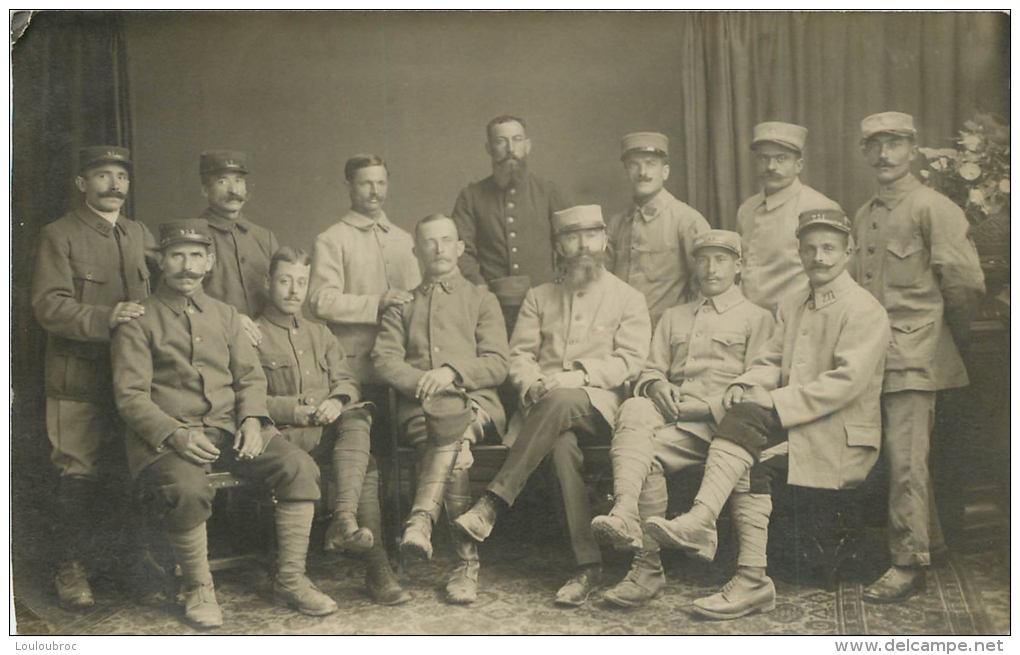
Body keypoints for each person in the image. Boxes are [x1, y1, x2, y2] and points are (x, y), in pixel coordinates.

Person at [644, 209, 891, 620]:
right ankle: (749, 578)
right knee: (742, 420)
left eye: (830, 248)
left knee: (746, 427)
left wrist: (772, 402)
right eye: (810, 248)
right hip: (795, 427)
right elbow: (770, 360)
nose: (820, 257)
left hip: (838, 435)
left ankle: (713, 534)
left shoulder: (864, 309)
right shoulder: (794, 304)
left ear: (849, 251)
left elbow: (845, 384)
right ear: (799, 252)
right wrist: (743, 385)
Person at [111, 219, 333, 628]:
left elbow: (250, 378)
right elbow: (130, 396)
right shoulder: (139, 320)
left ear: (210, 262)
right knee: (186, 486)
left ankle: (290, 579)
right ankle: (198, 587)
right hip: (168, 436)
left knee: (298, 466)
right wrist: (175, 433)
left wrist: (252, 418)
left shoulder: (226, 315)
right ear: (161, 260)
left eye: (196, 256)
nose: (187, 266)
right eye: (177, 255)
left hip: (230, 428)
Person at [454, 205, 651, 607]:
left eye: (591, 236)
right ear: (559, 246)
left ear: (604, 241)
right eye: (572, 238)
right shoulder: (539, 297)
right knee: (561, 448)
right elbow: (520, 355)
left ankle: (492, 502)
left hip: (596, 405)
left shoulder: (627, 297)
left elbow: (629, 361)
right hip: (544, 410)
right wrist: (531, 383)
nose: (582, 246)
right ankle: (587, 566)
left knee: (563, 399)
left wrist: (577, 376)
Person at [590, 230, 774, 608]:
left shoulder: (758, 318)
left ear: (738, 266)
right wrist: (656, 386)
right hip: (678, 427)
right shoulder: (674, 316)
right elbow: (649, 370)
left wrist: (707, 406)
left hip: (727, 428)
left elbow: (759, 380)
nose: (711, 268)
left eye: (721, 259)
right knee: (636, 415)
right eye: (703, 259)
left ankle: (654, 558)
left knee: (651, 446)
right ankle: (638, 546)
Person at [849, 112, 985, 604]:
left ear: (912, 149)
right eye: (875, 146)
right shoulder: (865, 215)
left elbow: (966, 284)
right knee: (901, 458)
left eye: (895, 145)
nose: (884, 155)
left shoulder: (934, 207)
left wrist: (948, 338)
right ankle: (931, 543)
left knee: (906, 462)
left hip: (919, 352)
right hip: (878, 356)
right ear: (865, 153)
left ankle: (907, 564)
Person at [31, 144, 158, 608]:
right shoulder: (58, 234)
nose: (114, 184)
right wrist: (107, 316)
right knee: (77, 472)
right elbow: (48, 306)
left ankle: (131, 562)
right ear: (82, 184)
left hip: (132, 379)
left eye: (120, 176)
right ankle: (70, 568)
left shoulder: (138, 233)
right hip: (78, 378)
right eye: (102, 176)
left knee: (131, 469)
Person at [255, 247, 409, 605]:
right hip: (285, 438)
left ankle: (348, 528)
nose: (294, 290)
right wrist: (301, 410)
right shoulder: (253, 334)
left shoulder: (320, 333)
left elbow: (346, 381)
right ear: (268, 283)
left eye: (302, 282)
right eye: (285, 281)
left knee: (358, 416)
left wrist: (337, 400)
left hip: (325, 434)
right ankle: (371, 561)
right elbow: (248, 398)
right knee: (364, 465)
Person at [372, 214, 509, 604]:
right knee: (457, 453)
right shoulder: (403, 303)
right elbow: (384, 358)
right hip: (419, 409)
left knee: (452, 428)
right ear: (416, 251)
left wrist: (452, 372)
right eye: (430, 242)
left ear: (460, 248)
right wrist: (423, 382)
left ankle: (421, 520)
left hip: (476, 405)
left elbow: (498, 361)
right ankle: (466, 566)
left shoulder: (482, 299)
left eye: (447, 240)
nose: (439, 249)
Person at [307, 154, 421, 569]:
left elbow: (417, 298)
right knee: (366, 458)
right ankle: (366, 546)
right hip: (356, 368)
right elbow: (320, 300)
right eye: (365, 184)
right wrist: (376, 302)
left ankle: (395, 538)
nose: (374, 192)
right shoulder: (332, 239)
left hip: (400, 366)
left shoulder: (404, 238)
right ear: (349, 188)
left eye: (380, 183)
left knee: (398, 456)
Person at [451, 115, 571, 331]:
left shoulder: (549, 191)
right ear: (489, 148)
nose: (510, 148)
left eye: (516, 140)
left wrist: (560, 283)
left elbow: (569, 244)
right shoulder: (471, 196)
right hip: (492, 308)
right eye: (501, 141)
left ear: (527, 145)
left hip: (546, 306)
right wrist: (479, 288)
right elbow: (460, 252)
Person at [736, 122, 842, 315]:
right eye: (763, 159)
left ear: (798, 165)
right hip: (747, 322)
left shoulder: (818, 206)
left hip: (795, 320)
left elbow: (835, 275)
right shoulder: (747, 209)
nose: (771, 167)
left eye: (781, 159)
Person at [606, 132, 710, 327]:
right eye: (634, 165)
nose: (642, 172)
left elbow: (705, 286)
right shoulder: (616, 224)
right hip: (620, 331)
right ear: (626, 171)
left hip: (668, 332)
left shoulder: (687, 220)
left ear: (665, 172)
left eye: (650, 163)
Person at [197, 150, 279, 347]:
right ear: (205, 190)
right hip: (215, 344)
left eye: (239, 181)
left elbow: (281, 293)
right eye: (222, 182)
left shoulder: (264, 237)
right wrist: (231, 320)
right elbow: (184, 299)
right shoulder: (195, 238)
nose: (233, 190)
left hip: (266, 345)